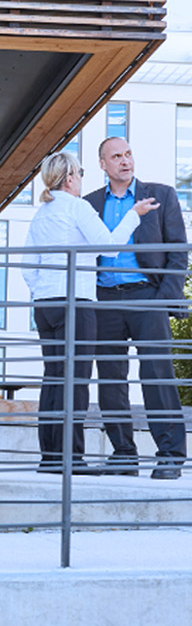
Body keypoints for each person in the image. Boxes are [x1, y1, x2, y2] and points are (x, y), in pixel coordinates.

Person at [22, 151, 159, 473]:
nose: (82, 179)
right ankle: (72, 459)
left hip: (46, 304)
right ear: (69, 178)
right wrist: (134, 214)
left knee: (54, 379)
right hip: (76, 303)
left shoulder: (42, 213)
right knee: (76, 381)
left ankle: (51, 458)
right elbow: (109, 246)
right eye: (80, 173)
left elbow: (29, 267)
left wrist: (43, 292)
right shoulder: (77, 207)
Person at [85, 137, 188, 479]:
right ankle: (124, 455)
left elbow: (178, 251)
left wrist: (164, 300)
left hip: (148, 297)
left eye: (128, 154)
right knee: (111, 381)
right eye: (116, 156)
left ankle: (171, 455)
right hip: (105, 301)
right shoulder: (90, 204)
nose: (125, 161)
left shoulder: (161, 196)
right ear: (103, 164)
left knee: (157, 376)